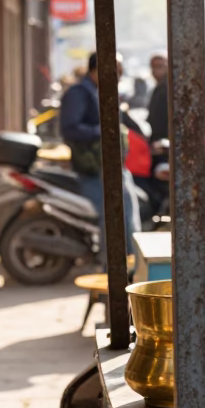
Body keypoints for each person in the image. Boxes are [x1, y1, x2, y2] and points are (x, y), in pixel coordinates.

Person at [60, 51, 141, 265]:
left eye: (121, 72)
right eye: (117, 71)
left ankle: (131, 269)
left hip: (114, 168)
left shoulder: (102, 92)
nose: (120, 77)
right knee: (114, 219)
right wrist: (105, 131)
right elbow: (70, 130)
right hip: (95, 171)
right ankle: (113, 269)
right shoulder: (79, 93)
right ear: (98, 70)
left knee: (128, 222)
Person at [147, 54, 169, 143]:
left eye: (159, 66)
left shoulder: (168, 88)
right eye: (153, 67)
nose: (155, 70)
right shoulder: (159, 88)